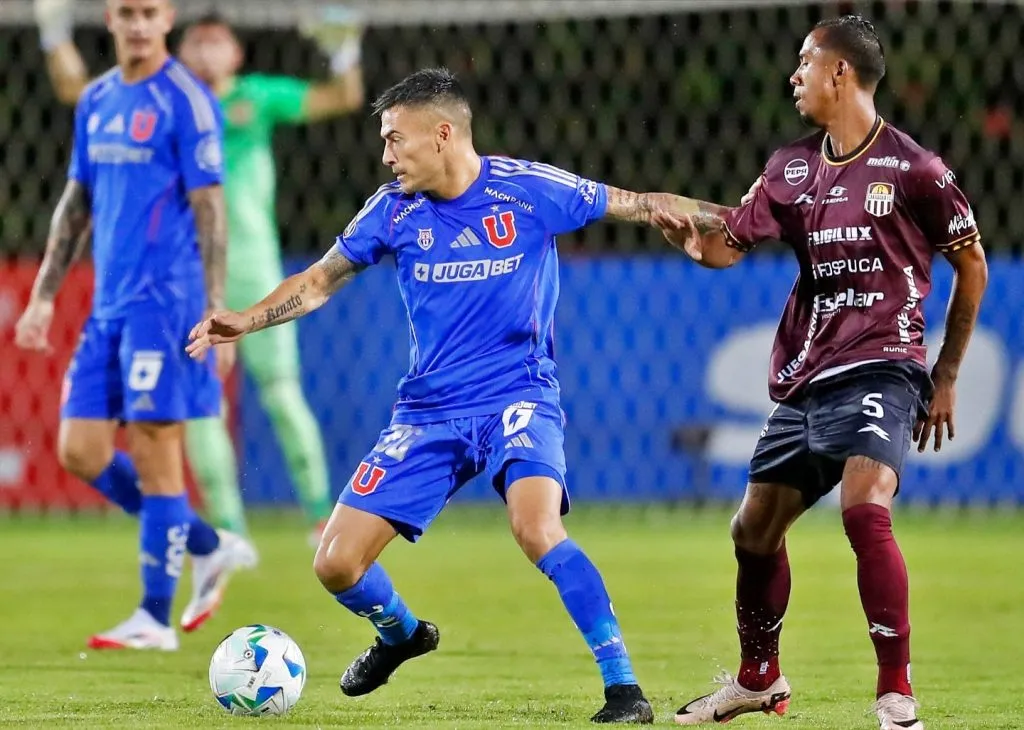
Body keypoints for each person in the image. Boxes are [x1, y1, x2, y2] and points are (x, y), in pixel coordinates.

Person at [186, 66, 702, 724]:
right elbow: (319, 281)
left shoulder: (530, 189)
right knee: (337, 564)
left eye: (395, 139)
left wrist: (737, 223)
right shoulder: (392, 210)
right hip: (429, 411)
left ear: (442, 133)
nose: (386, 154)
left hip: (519, 393)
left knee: (536, 526)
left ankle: (624, 690)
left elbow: (639, 202)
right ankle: (403, 635)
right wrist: (247, 319)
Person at [651, 15, 987, 730]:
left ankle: (895, 694)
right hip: (809, 375)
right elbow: (731, 245)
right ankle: (757, 681)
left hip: (885, 367)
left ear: (842, 73)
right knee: (752, 532)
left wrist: (948, 372)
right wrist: (692, 240)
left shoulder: (915, 169)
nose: (794, 76)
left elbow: (971, 262)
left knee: (866, 507)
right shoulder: (790, 167)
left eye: (806, 62)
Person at [36, 2, 366, 546]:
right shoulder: (163, 96)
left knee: (281, 391)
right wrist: (54, 35)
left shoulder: (256, 96)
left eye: (219, 41)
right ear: (180, 48)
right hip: (184, 271)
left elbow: (345, 96)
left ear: (236, 52)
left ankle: (319, 517)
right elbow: (79, 93)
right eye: (199, 42)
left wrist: (344, 49)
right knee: (202, 402)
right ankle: (230, 531)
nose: (208, 51)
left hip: (255, 268)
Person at [15, 0, 254, 649]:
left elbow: (210, 207)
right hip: (110, 305)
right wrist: (43, 295)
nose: (139, 23)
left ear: (167, 18)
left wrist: (214, 303)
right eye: (128, 12)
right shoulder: (95, 99)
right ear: (109, 18)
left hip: (166, 303)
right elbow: (79, 199)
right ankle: (206, 546)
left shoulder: (187, 100)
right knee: (80, 451)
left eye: (150, 11)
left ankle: (154, 616)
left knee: (155, 449)